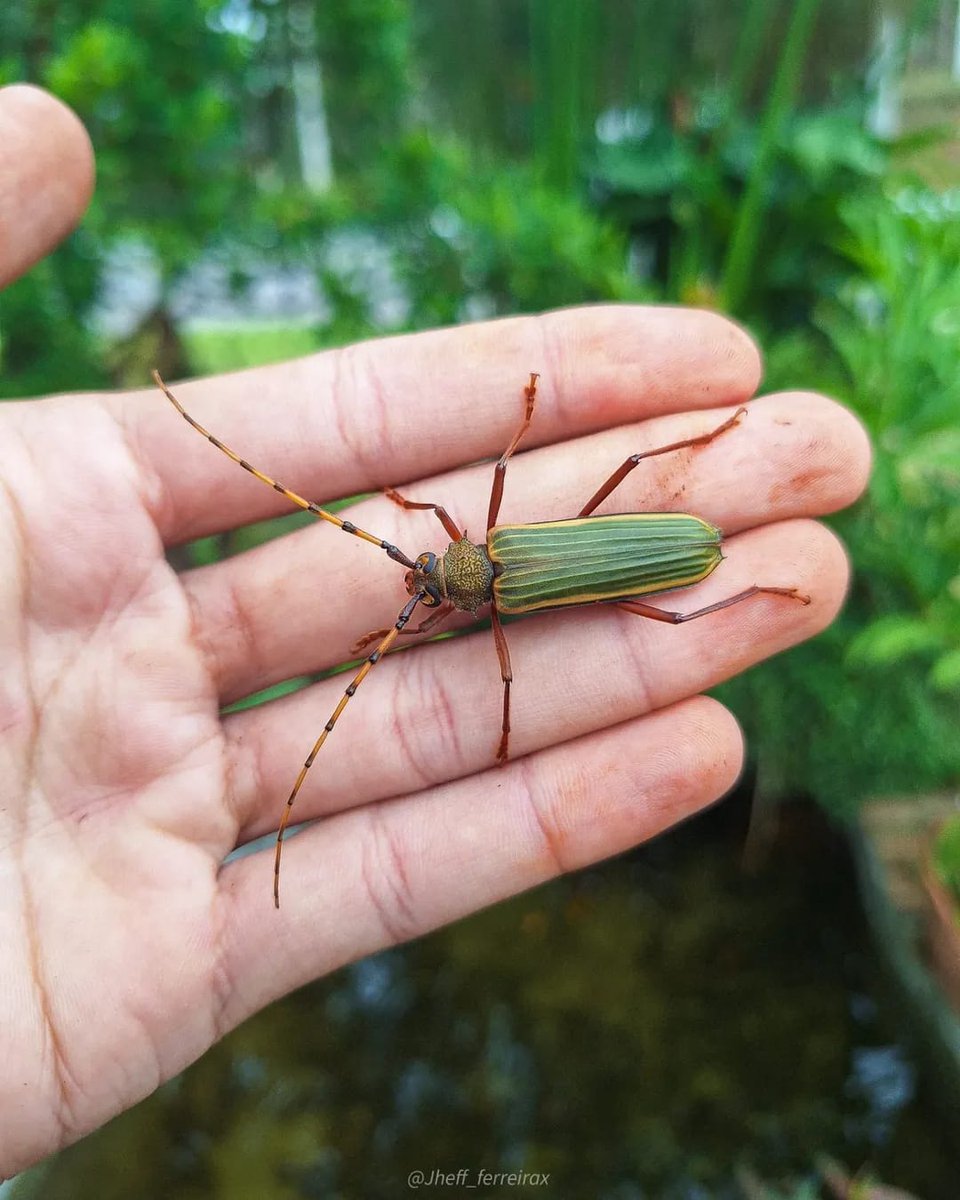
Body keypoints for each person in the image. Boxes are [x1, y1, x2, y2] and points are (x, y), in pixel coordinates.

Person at [0, 83, 870, 1178]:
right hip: (640, 553)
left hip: (666, 542)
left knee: (663, 556)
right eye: (429, 588)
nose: (424, 586)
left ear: (456, 577)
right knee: (664, 592)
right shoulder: (482, 561)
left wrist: (473, 677)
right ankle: (759, 569)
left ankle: (739, 506)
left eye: (427, 583)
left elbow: (486, 620)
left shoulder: (488, 593)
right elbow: (468, 531)